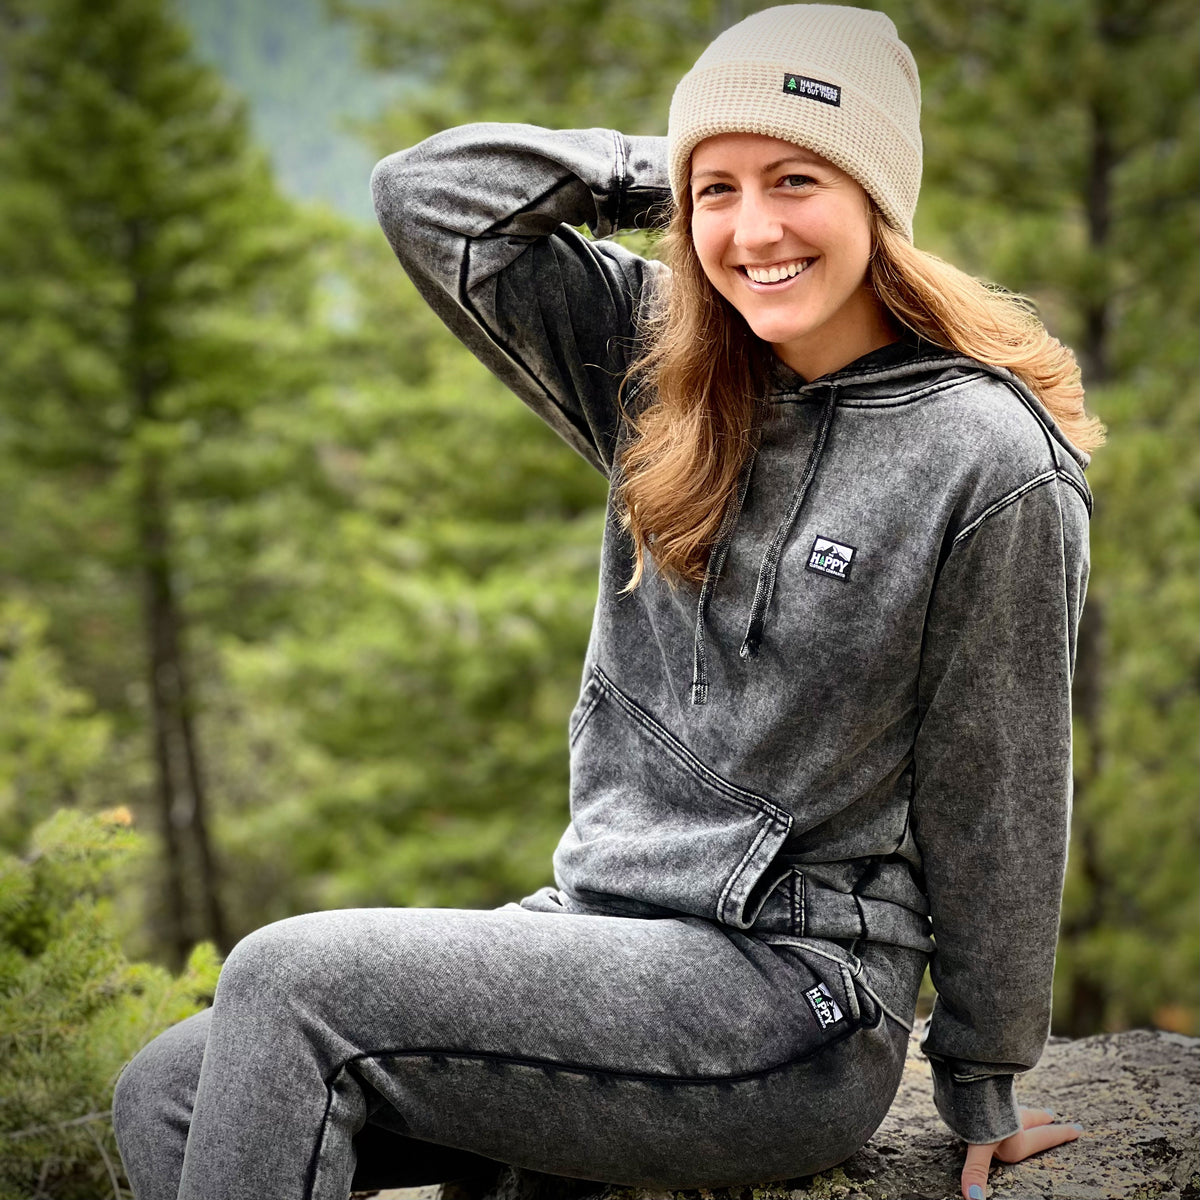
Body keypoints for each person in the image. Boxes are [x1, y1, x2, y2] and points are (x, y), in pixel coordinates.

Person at [111, 7, 1104, 1200]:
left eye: (796, 180)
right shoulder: (661, 359)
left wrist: (982, 1078)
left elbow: (1001, 789)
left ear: (877, 196)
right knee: (164, 1091)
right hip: (599, 931)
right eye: (719, 192)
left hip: (797, 994)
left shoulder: (989, 458)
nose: (754, 231)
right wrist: (675, 174)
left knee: (287, 979)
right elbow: (428, 198)